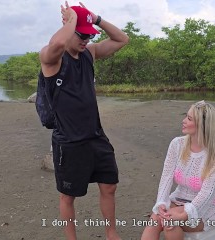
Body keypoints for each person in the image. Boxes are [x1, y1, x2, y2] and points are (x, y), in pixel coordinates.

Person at [39, 1, 129, 240]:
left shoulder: (89, 53)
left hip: (95, 136)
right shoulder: (50, 58)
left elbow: (122, 40)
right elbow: (58, 43)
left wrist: (95, 18)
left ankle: (111, 233)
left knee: (109, 186)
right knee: (68, 196)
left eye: (90, 36)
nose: (86, 41)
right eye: (81, 35)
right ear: (68, 28)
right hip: (68, 140)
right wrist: (70, 20)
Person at [141, 100, 215, 240]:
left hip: (206, 208)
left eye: (189, 119)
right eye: (186, 116)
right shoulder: (177, 144)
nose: (183, 121)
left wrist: (184, 214)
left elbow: (208, 193)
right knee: (155, 219)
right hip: (178, 199)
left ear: (202, 125)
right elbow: (166, 177)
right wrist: (162, 203)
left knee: (171, 223)